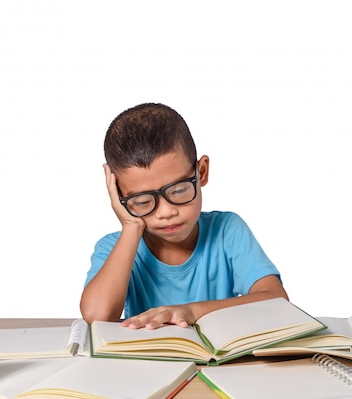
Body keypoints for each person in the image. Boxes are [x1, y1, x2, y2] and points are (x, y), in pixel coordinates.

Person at [80, 103, 288, 329]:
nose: (166, 212)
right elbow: (97, 316)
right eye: (142, 201)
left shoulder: (227, 230)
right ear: (120, 198)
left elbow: (276, 300)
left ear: (202, 172)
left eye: (178, 191)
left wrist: (191, 311)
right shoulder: (115, 247)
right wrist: (131, 226)